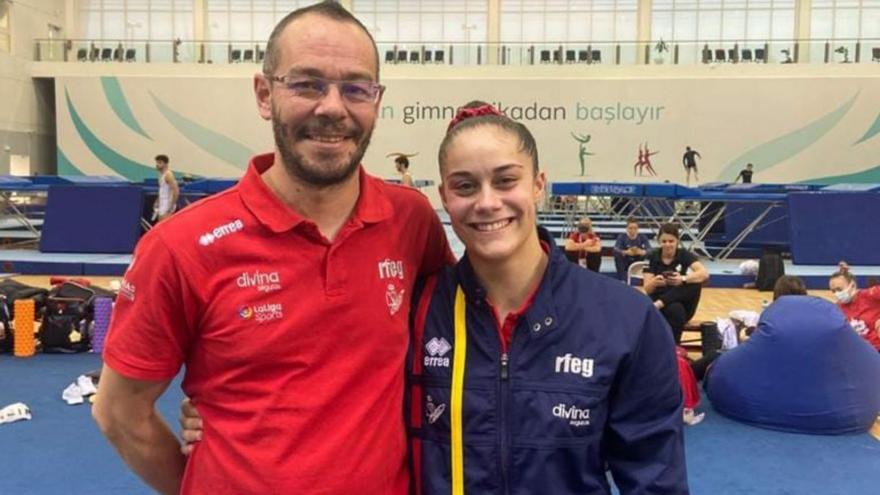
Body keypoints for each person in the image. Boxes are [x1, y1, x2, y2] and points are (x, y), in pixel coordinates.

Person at [182, 102, 689, 493]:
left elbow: (654, 475)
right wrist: (220, 413)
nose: (487, 202)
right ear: (445, 197)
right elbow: (329, 387)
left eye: (506, 180)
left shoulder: (624, 318)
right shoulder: (417, 310)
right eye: (465, 185)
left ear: (538, 185)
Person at [92, 3, 451, 494]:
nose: (332, 107)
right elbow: (118, 412)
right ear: (265, 94)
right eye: (307, 84)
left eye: (355, 88)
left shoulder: (411, 221)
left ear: (376, 99)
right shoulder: (180, 247)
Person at [643, 223, 710, 344]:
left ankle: (662, 302)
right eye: (664, 241)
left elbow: (704, 274)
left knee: (695, 282)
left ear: (677, 241)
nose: (667, 244)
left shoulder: (684, 254)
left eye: (671, 241)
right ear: (659, 241)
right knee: (675, 310)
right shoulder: (651, 256)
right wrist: (655, 282)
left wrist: (682, 279)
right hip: (662, 304)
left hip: (680, 303)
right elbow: (647, 289)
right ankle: (674, 347)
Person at [829, 269, 880, 351]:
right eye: (833, 291)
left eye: (839, 289)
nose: (837, 294)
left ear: (852, 286)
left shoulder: (871, 294)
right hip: (856, 353)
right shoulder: (836, 309)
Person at [153, 154, 179, 222]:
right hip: (162, 203)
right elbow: (161, 191)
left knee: (164, 226)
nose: (157, 165)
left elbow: (176, 191)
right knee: (159, 226)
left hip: (167, 204)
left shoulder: (168, 175)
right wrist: (157, 201)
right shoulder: (160, 175)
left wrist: (171, 206)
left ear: (165, 164)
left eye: (160, 163)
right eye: (157, 162)